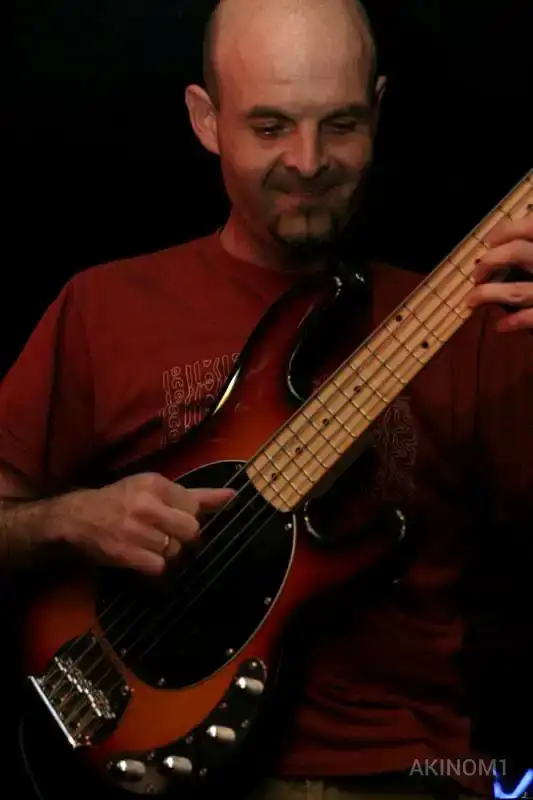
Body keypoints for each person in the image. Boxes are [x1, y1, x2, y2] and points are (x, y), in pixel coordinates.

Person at [1, 0, 532, 798]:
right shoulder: (101, 308)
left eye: (340, 124)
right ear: (205, 119)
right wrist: (71, 520)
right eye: (270, 126)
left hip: (399, 770)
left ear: (377, 110)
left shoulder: (480, 319)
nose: (308, 161)